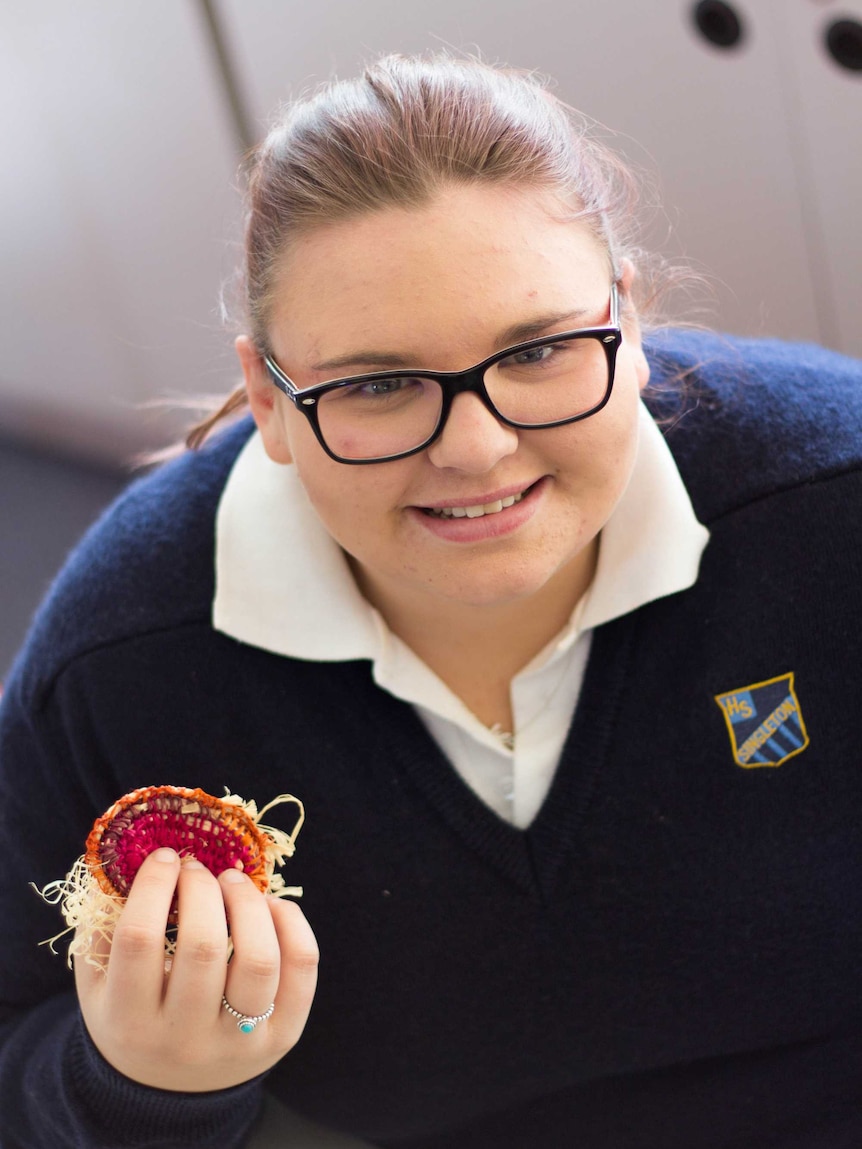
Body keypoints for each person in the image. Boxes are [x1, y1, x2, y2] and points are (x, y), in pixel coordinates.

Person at [1, 52, 861, 1149]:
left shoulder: (834, 507)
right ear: (268, 396)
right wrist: (136, 1082)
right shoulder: (121, 658)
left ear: (627, 325)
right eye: (375, 384)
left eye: (542, 350)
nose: (478, 448)